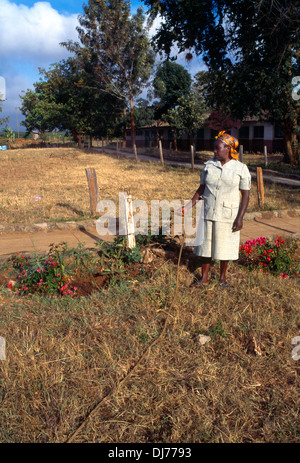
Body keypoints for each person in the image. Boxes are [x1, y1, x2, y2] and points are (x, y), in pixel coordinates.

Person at [179, 131, 251, 287]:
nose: (214, 151)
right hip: (208, 210)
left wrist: (240, 218)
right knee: (206, 245)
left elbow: (245, 195)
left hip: (228, 214)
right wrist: (188, 206)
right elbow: (201, 188)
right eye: (214, 148)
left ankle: (222, 278)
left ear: (228, 149)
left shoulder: (240, 168)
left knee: (225, 245)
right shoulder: (209, 165)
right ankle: (204, 278)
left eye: (218, 148)